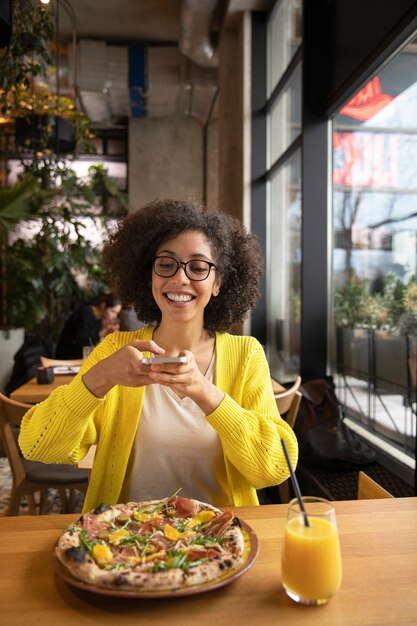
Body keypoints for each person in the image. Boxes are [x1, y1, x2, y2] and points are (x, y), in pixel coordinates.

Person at [19, 199, 298, 513]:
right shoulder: (115, 351)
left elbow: (274, 468)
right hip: (123, 539)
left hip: (219, 540)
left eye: (198, 267)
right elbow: (37, 445)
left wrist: (204, 392)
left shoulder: (246, 355)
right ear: (148, 276)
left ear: (217, 283)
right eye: (166, 264)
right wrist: (99, 379)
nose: (180, 279)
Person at [55, 293, 122, 359]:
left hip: (81, 357)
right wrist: (103, 334)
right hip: (68, 356)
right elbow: (83, 344)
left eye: (117, 313)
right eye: (113, 311)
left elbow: (92, 344)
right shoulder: (86, 312)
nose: (114, 316)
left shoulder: (99, 320)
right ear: (103, 305)